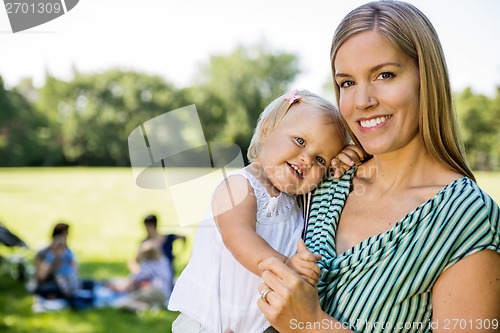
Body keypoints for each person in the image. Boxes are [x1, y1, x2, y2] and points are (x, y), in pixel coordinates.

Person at [257, 2, 500, 332]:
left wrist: (312, 324)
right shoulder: (328, 178)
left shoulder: (464, 216)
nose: (362, 101)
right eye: (347, 83)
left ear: (426, 79)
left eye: (384, 75)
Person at [168, 89, 360, 333]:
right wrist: (285, 265)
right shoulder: (239, 185)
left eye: (321, 159)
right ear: (267, 129)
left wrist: (349, 159)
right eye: (300, 141)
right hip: (207, 324)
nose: (307, 159)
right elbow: (238, 236)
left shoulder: (300, 202)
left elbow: (334, 182)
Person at [33, 222, 94, 310]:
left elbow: (75, 271)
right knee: (53, 289)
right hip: (50, 283)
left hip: (68, 281)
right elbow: (41, 276)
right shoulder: (44, 251)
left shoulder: (67, 251)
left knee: (89, 283)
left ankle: (69, 295)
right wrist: (53, 257)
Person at [108, 239, 172, 312]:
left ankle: (127, 305)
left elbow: (134, 278)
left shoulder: (149, 264)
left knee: (131, 298)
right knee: (145, 297)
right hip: (166, 294)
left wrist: (118, 287)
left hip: (156, 292)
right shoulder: (164, 260)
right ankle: (146, 306)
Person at [130, 214, 187, 281]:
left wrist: (179, 254)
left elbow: (184, 237)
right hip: (150, 275)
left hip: (165, 274)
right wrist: (138, 271)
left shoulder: (167, 238)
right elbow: (134, 260)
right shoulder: (144, 243)